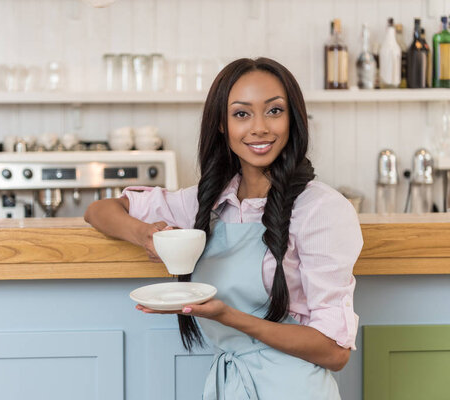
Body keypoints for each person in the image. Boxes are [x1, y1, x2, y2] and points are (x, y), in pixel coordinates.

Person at [84, 57, 363, 399]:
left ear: (293, 119)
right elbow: (99, 210)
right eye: (242, 114)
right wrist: (145, 235)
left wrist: (230, 317)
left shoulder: (321, 209)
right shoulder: (207, 202)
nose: (260, 127)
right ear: (221, 123)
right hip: (229, 386)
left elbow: (334, 352)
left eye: (274, 111)